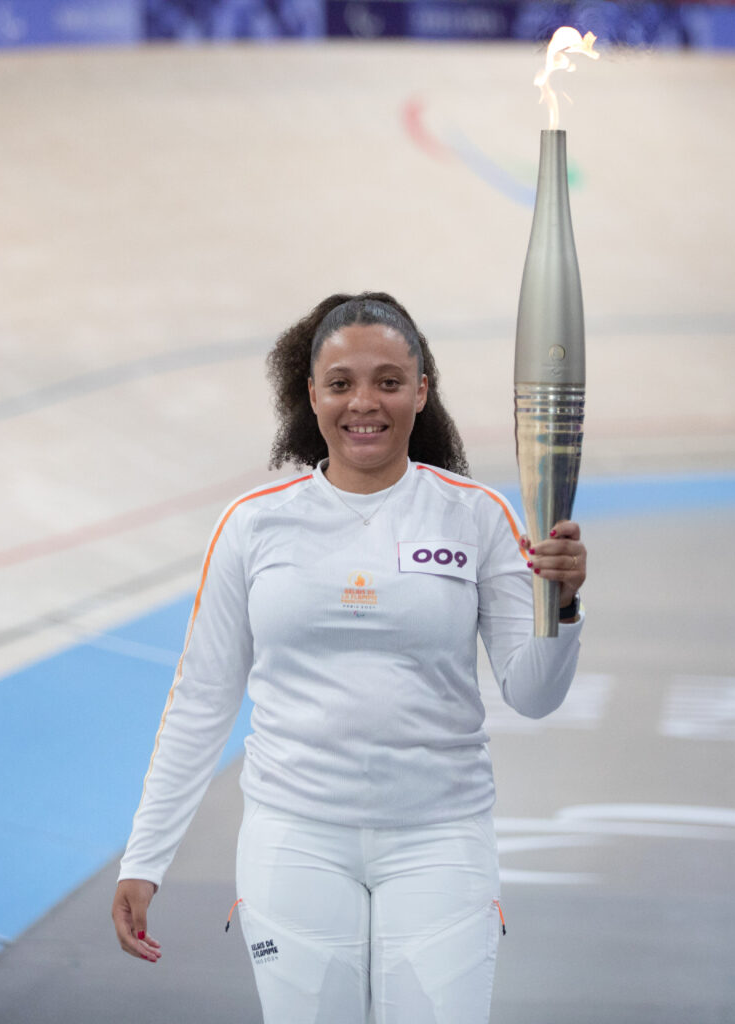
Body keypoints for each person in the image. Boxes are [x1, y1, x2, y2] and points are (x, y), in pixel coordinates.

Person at [110, 292, 588, 1023]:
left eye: (389, 381)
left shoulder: (477, 516)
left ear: (421, 391)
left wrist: (562, 606)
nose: (364, 403)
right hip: (293, 841)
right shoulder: (252, 526)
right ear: (311, 394)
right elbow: (203, 700)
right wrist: (145, 859)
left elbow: (534, 696)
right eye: (341, 383)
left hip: (441, 840)